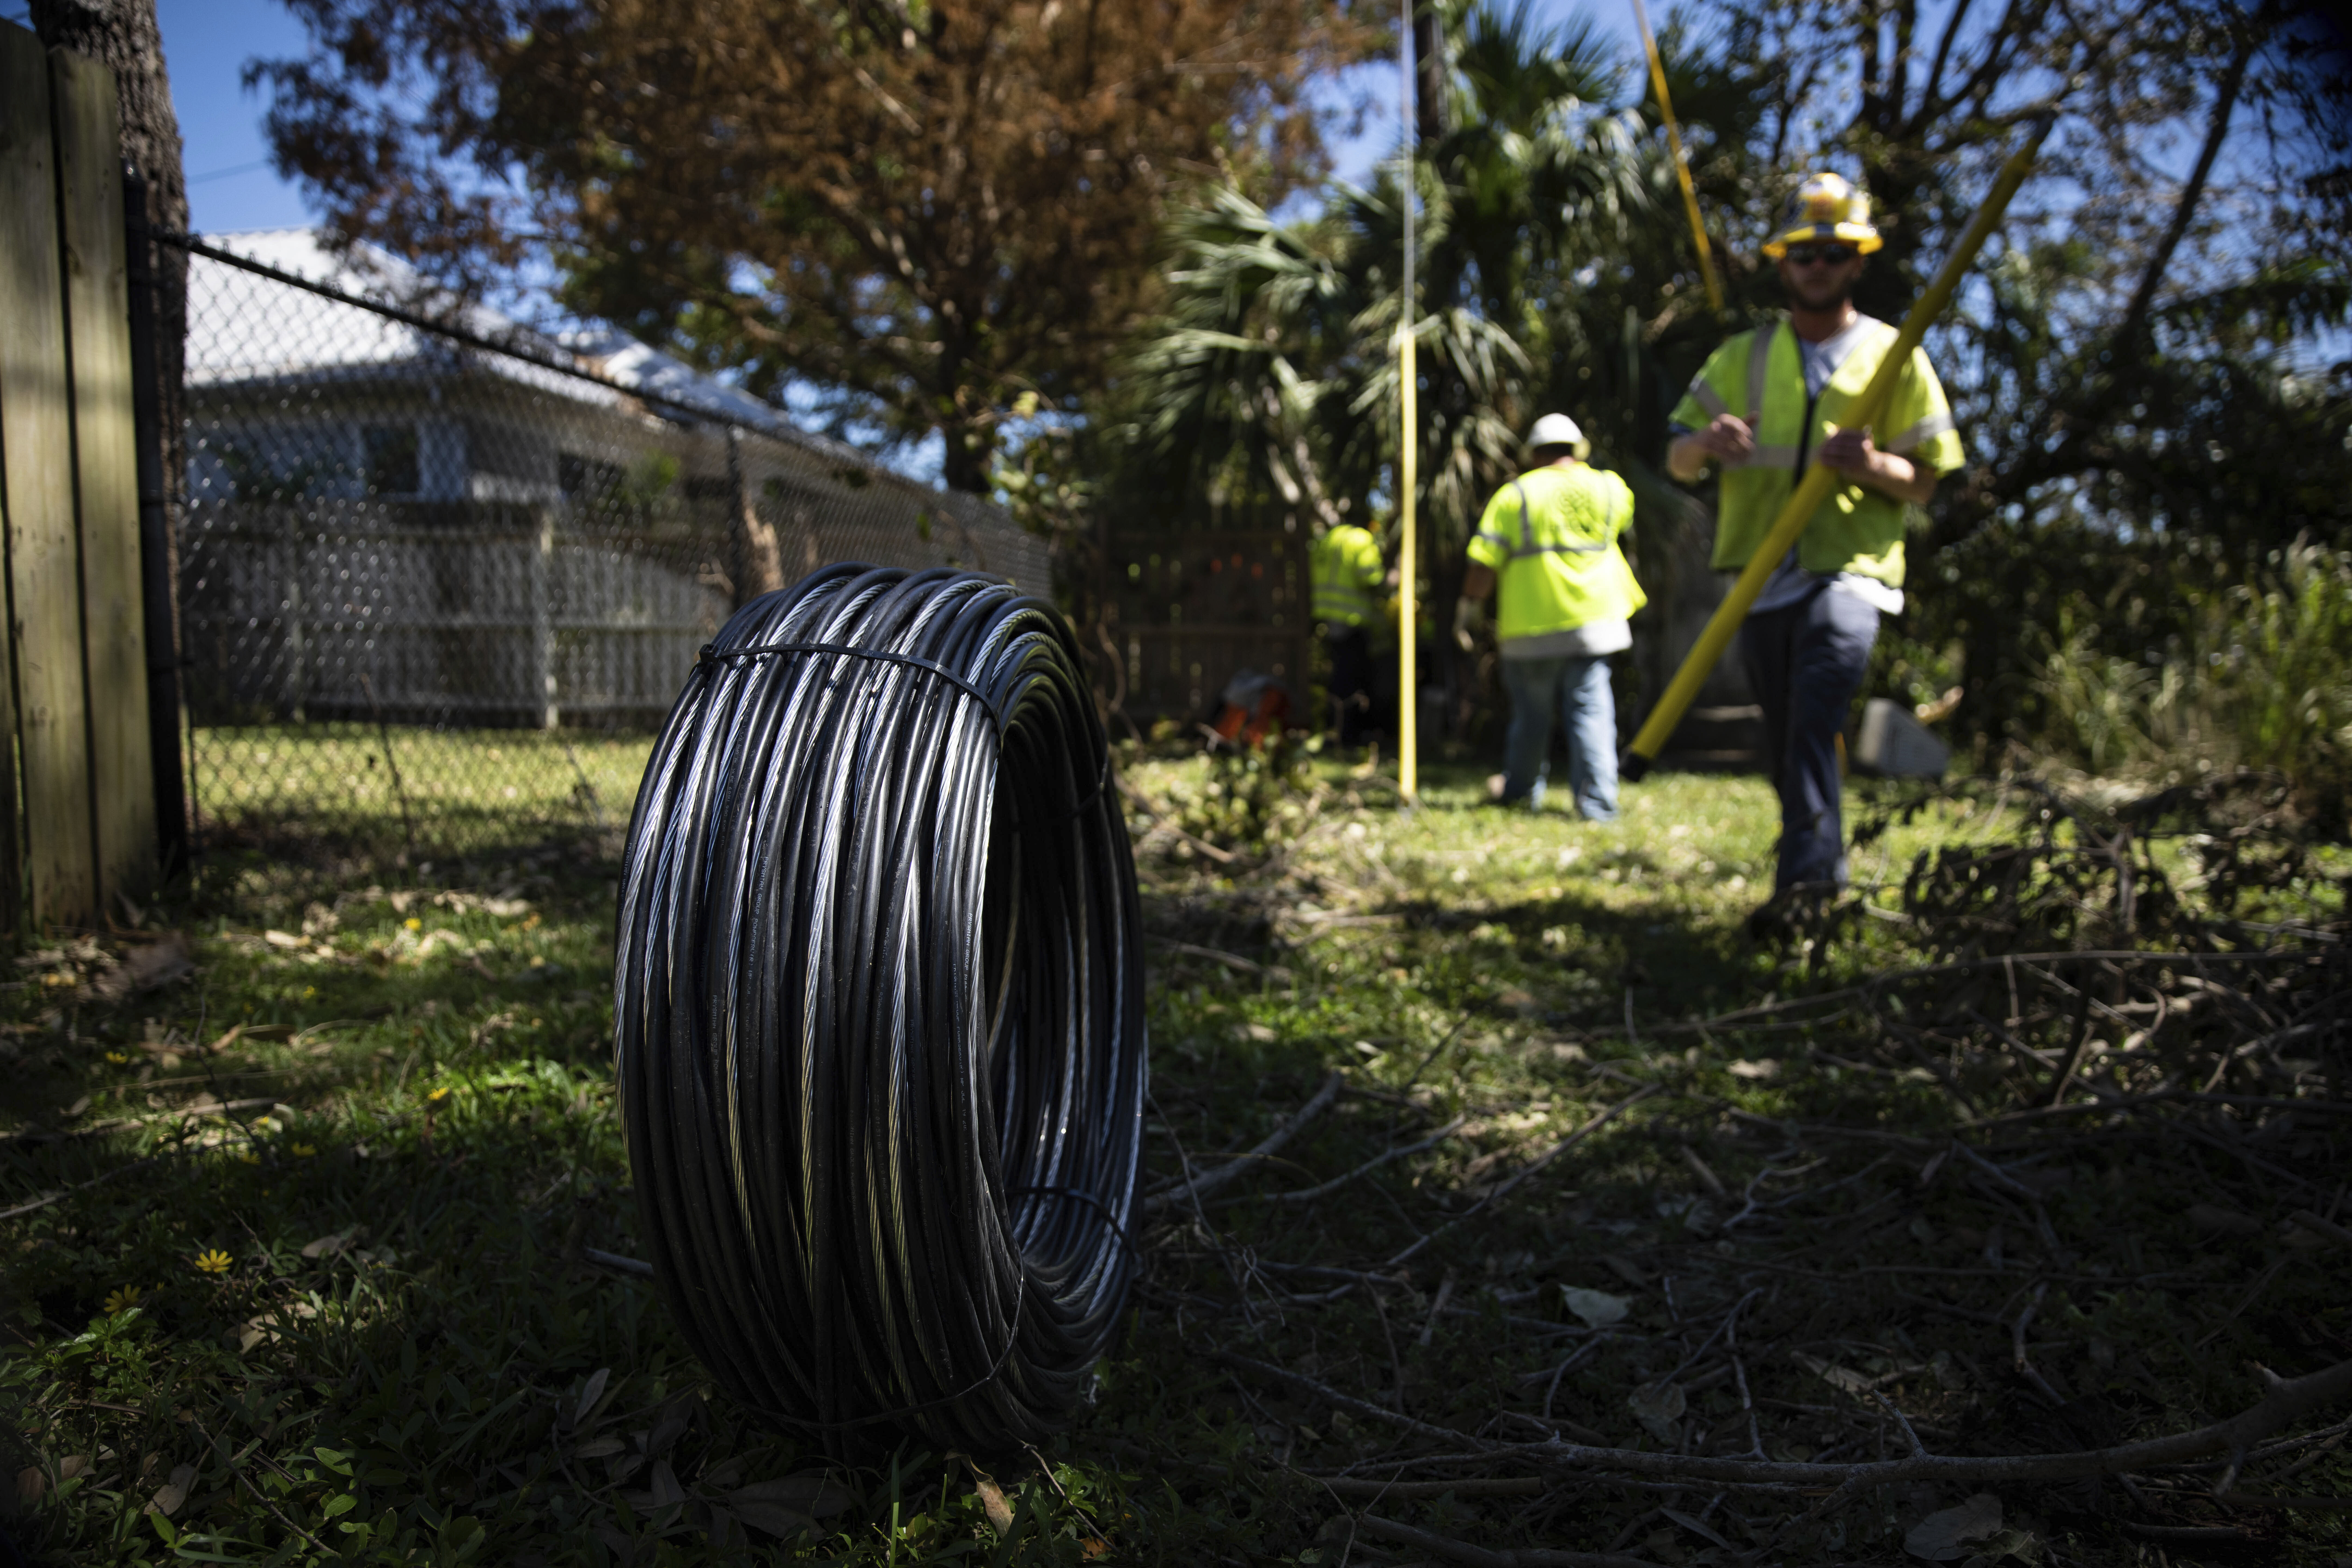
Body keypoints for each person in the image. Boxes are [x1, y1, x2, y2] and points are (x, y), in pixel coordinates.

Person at [1666, 172, 1964, 902]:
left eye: (1834, 252)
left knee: (1815, 706)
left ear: (1858, 261)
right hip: (1761, 574)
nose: (1818, 265)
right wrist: (1707, 442)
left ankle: (1805, 886)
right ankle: (1820, 861)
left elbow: (1928, 481)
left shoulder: (1896, 355)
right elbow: (1677, 460)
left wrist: (1873, 464)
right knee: (1789, 732)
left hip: (1851, 571)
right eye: (1805, 253)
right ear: (1785, 263)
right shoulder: (1744, 356)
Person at [1463, 413, 1645, 819]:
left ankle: (1521, 792)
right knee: (1592, 712)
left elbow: (1483, 564)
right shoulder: (1609, 488)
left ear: (1533, 454)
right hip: (1596, 621)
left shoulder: (1517, 495)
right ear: (1576, 450)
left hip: (1533, 626)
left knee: (1531, 716)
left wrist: (1469, 608)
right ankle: (1597, 804)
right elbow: (1623, 523)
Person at [1310, 515, 1388, 748]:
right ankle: (1350, 734)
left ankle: (1337, 729)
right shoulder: (1361, 539)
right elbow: (1371, 577)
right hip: (1353, 618)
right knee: (1353, 678)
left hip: (1328, 615)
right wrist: (1389, 581)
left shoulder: (1329, 539)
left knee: (1339, 675)